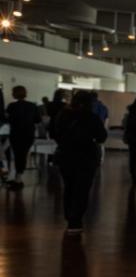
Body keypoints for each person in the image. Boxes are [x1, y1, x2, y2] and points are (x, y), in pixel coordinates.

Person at [51, 90, 107, 234]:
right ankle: (75, 221)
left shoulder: (63, 115)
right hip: (86, 157)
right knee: (81, 189)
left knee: (69, 187)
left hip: (66, 156)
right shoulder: (92, 118)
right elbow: (101, 137)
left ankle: (69, 216)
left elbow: (55, 133)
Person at [5, 85, 41, 190]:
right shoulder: (33, 106)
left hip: (16, 134)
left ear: (15, 93)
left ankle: (18, 180)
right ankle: (18, 178)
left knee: (17, 156)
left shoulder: (11, 106)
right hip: (29, 134)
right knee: (23, 155)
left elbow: (8, 119)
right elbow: (38, 120)